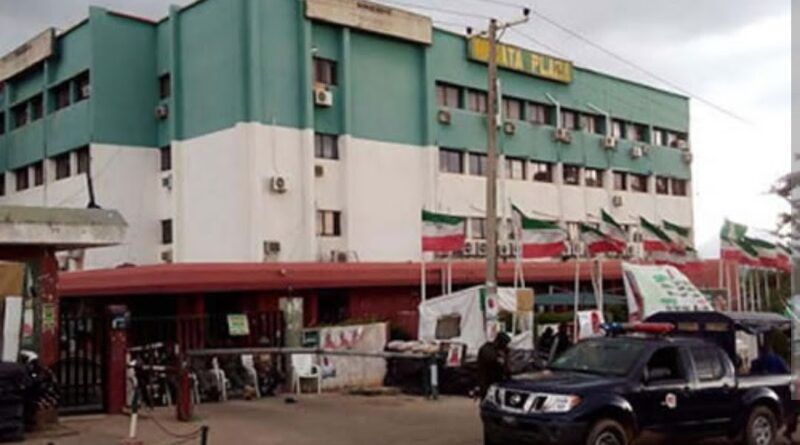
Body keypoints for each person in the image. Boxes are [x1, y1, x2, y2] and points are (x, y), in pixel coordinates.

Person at [477, 332, 511, 399]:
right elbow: (492, 361)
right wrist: (499, 359)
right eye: (505, 343)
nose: (506, 346)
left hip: (496, 382)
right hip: (487, 381)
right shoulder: (487, 349)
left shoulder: (500, 350)